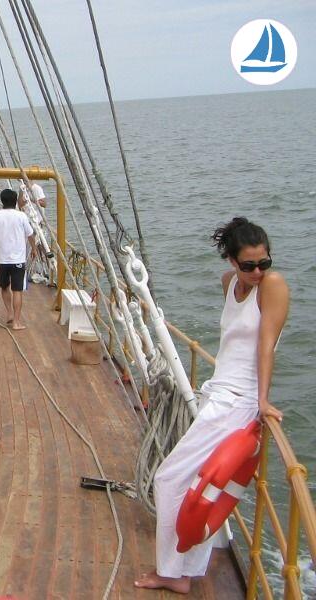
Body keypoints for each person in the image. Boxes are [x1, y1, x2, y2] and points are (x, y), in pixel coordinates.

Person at [135, 217, 289, 594]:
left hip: (237, 404)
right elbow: (234, 344)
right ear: (231, 262)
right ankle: (184, 571)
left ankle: (172, 573)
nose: (257, 271)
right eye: (248, 265)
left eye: (263, 263)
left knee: (168, 478)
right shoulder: (228, 285)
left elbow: (266, 344)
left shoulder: (273, 286)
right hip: (217, 395)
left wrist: (263, 401)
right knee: (196, 485)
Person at [0, 188, 37, 330]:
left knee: (4, 287)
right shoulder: (21, 216)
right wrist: (34, 249)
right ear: (15, 201)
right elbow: (30, 235)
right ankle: (16, 322)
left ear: (2, 200)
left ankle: (9, 313)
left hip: (1, 259)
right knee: (17, 290)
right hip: (18, 260)